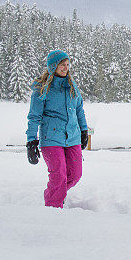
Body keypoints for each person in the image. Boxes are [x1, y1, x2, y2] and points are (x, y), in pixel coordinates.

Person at [25, 50, 89, 208]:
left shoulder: (72, 86)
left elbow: (79, 110)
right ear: (53, 66)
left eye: (67, 65)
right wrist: (31, 141)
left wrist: (84, 130)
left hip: (72, 136)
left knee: (75, 174)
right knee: (58, 176)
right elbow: (34, 116)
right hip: (51, 138)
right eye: (62, 65)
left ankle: (57, 193)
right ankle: (53, 208)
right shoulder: (42, 88)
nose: (65, 68)